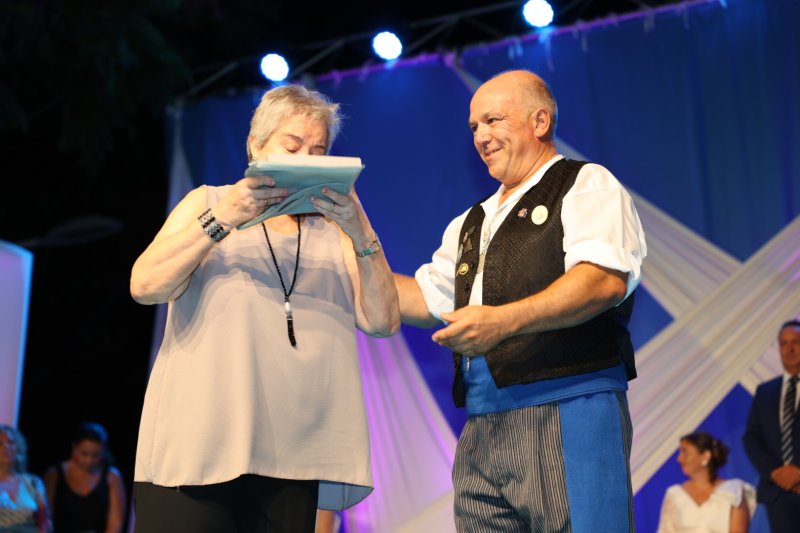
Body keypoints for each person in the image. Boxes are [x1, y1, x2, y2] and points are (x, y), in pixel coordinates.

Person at [129, 84, 399, 533]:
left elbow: (383, 321)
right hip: (199, 450)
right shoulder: (209, 202)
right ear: (257, 145)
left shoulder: (336, 233)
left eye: (319, 151)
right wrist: (225, 218)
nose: (307, 162)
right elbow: (145, 285)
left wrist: (361, 230)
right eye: (292, 147)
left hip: (295, 456)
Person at [393, 69, 647, 531]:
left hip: (567, 405)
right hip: (482, 425)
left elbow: (602, 281)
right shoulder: (471, 221)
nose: (481, 136)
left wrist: (503, 321)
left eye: (493, 120)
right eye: (474, 127)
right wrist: (344, 245)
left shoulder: (586, 184)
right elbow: (415, 298)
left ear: (540, 121)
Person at [742, 319, 800, 533]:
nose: (790, 349)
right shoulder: (765, 392)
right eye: (783, 343)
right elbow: (751, 437)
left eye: (795, 342)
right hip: (777, 492)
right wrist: (776, 472)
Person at [657, 432, 755, 532]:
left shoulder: (733, 491)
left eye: (685, 452)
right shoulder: (675, 494)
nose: (679, 459)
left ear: (705, 456)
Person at [43, 422, 126, 533]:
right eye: (84, 454)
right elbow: (46, 518)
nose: (89, 460)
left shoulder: (112, 477)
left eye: (95, 455)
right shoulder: (54, 474)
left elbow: (115, 525)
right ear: (74, 447)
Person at [0, 425, 51, 533]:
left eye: (10, 442)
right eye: (0, 443)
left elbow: (45, 523)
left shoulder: (33, 482)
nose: (6, 447)